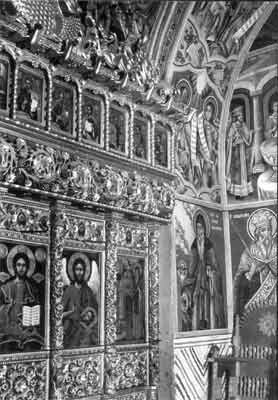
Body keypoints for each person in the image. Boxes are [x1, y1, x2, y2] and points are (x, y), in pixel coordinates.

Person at [234, 210, 277, 316]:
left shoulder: (276, 249)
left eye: (268, 230)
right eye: (263, 230)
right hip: (255, 296)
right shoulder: (250, 252)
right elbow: (240, 278)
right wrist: (251, 273)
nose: (266, 233)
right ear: (257, 233)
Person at [0, 252, 43, 352]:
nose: (21, 268)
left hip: (27, 329)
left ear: (27, 268)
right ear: (14, 266)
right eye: (18, 265)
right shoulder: (5, 288)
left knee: (34, 343)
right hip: (9, 327)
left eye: (24, 265)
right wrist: (8, 308)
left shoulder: (32, 288)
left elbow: (38, 311)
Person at [189, 213, 225, 330]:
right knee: (196, 295)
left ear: (204, 228)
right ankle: (198, 322)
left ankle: (208, 321)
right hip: (198, 273)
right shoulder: (195, 243)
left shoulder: (208, 243)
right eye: (197, 227)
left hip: (207, 273)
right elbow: (193, 261)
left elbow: (213, 260)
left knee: (207, 296)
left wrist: (211, 269)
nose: (198, 230)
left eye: (200, 227)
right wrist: (190, 275)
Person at [63, 258, 98, 348]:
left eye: (81, 270)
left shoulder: (88, 291)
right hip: (70, 330)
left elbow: (95, 310)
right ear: (73, 271)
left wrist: (90, 314)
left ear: (85, 272)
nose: (79, 272)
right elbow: (60, 312)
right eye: (77, 269)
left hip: (85, 329)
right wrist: (71, 312)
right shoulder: (69, 290)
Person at [226, 105, 254, 198]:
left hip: (243, 150)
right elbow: (229, 138)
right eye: (240, 116)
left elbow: (247, 137)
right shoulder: (233, 126)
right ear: (237, 116)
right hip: (236, 152)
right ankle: (238, 193)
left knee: (245, 171)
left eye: (242, 115)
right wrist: (234, 138)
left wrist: (250, 133)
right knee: (237, 171)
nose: (242, 117)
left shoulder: (243, 124)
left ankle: (245, 190)